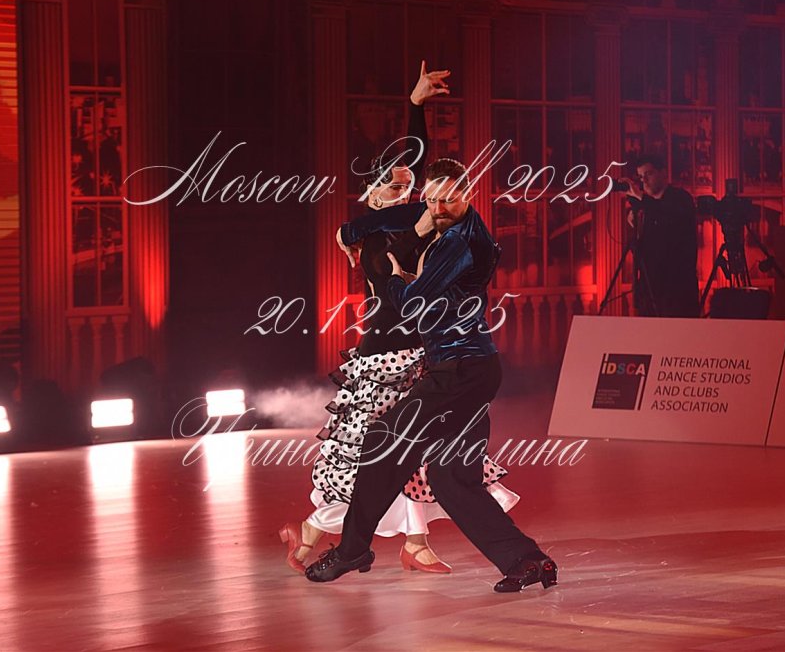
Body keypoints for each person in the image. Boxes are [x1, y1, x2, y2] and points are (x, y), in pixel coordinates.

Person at [279, 62, 518, 576]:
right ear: (372, 192)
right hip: (384, 358)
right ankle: (316, 536)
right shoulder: (375, 239)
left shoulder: (403, 221)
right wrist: (366, 228)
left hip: (420, 356)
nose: (406, 194)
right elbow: (401, 247)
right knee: (375, 460)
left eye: (410, 188)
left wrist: (415, 106)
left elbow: (417, 169)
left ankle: (405, 542)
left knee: (409, 457)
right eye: (394, 187)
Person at [306, 158, 557, 593]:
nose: (438, 208)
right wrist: (349, 231)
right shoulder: (450, 220)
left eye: (448, 199)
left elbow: (410, 305)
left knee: (382, 440)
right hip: (472, 370)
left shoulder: (460, 244)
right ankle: (528, 560)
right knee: (450, 477)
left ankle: (352, 549)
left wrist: (393, 278)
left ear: (468, 194)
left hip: (459, 372)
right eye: (433, 199)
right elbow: (402, 216)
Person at [619, 155, 700, 318]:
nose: (644, 181)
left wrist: (641, 198)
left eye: (648, 174)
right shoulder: (645, 208)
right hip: (650, 289)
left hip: (677, 290)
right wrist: (636, 227)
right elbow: (642, 250)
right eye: (640, 177)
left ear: (663, 173)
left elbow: (669, 219)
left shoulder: (681, 198)